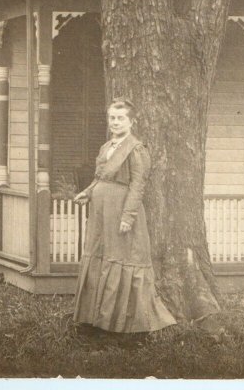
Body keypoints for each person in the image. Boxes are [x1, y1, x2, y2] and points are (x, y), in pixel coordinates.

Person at [73, 98, 176, 333]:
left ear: (132, 122)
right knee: (100, 257)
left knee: (120, 260)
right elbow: (101, 178)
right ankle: (94, 320)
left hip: (120, 212)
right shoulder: (106, 147)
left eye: (121, 118)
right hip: (100, 215)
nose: (116, 122)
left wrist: (127, 217)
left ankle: (124, 327)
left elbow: (138, 185)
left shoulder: (136, 149)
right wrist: (87, 193)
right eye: (112, 118)